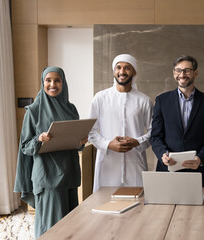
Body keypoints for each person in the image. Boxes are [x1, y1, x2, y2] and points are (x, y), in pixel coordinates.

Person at [14, 67, 87, 238]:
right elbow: (25, 146)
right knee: (52, 227)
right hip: (47, 177)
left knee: (70, 224)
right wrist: (39, 139)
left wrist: (80, 142)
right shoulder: (33, 110)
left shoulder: (71, 108)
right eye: (48, 80)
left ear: (63, 83)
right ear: (43, 82)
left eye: (57, 80)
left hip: (69, 174)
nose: (52, 84)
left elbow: (73, 141)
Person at [150, 55, 204, 187]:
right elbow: (155, 136)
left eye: (187, 70)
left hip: (198, 172)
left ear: (195, 73)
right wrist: (162, 154)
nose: (182, 74)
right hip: (167, 171)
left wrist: (200, 159)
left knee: (200, 208)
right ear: (173, 73)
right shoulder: (162, 100)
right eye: (178, 70)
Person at [89, 54, 153, 192]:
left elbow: (154, 132)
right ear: (114, 71)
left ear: (134, 72)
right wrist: (108, 144)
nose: (122, 72)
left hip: (135, 163)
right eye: (118, 67)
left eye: (127, 68)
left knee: (138, 207)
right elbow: (91, 131)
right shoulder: (100, 98)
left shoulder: (144, 100)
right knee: (104, 206)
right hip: (108, 164)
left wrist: (137, 142)